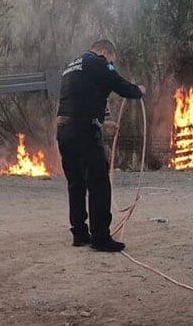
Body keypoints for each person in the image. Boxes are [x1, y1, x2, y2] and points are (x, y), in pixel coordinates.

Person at [56, 40, 145, 252]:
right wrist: (138, 90)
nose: (111, 65)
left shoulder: (72, 65)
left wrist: (104, 122)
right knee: (99, 185)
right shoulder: (97, 63)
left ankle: (79, 233)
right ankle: (100, 238)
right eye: (111, 61)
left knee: (76, 183)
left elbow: (82, 99)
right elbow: (120, 85)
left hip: (65, 132)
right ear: (105, 52)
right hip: (84, 133)